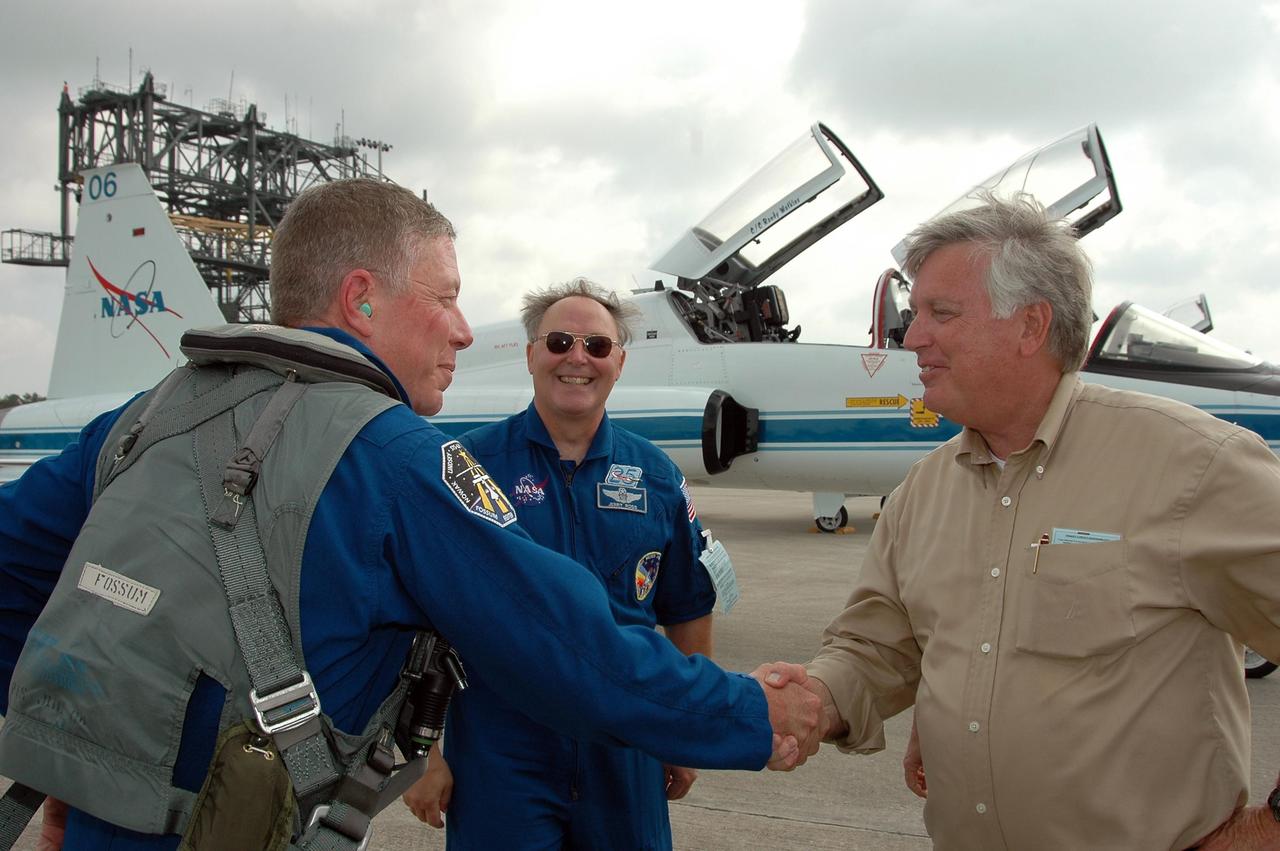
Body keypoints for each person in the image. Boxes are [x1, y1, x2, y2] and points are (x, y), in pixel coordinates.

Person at [0, 178, 822, 850]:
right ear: (362, 299)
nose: (467, 331)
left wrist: (90, 774)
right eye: (446, 298)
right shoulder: (397, 460)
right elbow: (572, 645)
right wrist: (750, 713)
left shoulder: (147, 418)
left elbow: (21, 586)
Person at [760, 193, 1280, 850]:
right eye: (914, 314)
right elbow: (878, 648)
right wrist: (807, 701)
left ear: (1030, 326)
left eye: (939, 314)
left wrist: (1268, 829)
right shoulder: (925, 489)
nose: (912, 337)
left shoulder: (1195, 466)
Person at [402, 279, 725, 848]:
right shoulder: (466, 468)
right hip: (500, 755)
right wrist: (422, 754)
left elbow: (689, 608)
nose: (577, 358)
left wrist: (682, 728)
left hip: (624, 754)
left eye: (597, 346)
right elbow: (416, 618)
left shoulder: (656, 478)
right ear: (530, 356)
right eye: (558, 342)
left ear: (619, 362)